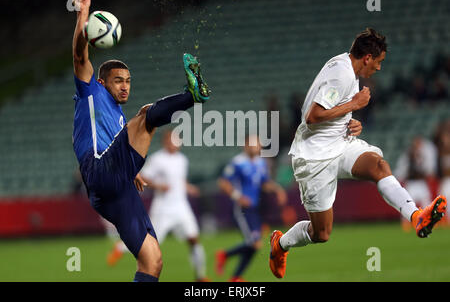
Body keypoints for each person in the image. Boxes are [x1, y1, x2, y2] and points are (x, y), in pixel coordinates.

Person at [269, 28, 447, 279]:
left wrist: (351, 122)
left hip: (340, 144)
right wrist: (354, 104)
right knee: (322, 234)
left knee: (379, 166)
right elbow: (313, 117)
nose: (379, 68)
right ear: (367, 58)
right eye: (379, 62)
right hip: (314, 158)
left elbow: (331, 111)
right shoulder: (342, 74)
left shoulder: (348, 70)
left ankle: (417, 216)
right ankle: (280, 244)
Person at [71, 0, 210, 282]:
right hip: (99, 172)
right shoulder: (90, 93)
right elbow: (79, 54)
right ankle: (192, 96)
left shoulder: (120, 118)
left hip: (115, 188)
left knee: (153, 262)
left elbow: (116, 145)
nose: (125, 87)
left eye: (128, 82)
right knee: (147, 114)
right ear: (101, 82)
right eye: (118, 81)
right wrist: (84, 16)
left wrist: (131, 172)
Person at [107, 130, 209, 282]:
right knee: (150, 244)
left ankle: (200, 277)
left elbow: (179, 180)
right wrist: (158, 186)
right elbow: (144, 177)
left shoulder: (182, 159)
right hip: (163, 209)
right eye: (171, 140)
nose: (174, 143)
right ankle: (120, 248)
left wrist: (189, 187)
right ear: (165, 141)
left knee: (194, 239)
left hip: (182, 207)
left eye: (176, 140)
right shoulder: (157, 159)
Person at [216, 135, 287, 282]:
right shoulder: (238, 162)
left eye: (257, 143)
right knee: (255, 243)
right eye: (252, 143)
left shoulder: (261, 163)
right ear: (245, 145)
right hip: (242, 209)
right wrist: (238, 196)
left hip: (255, 209)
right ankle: (228, 261)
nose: (255, 146)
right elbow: (223, 182)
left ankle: (234, 274)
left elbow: (264, 183)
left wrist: (277, 190)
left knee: (254, 244)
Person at [394, 136, 438, 230]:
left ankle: (429, 221)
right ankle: (406, 223)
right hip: (412, 183)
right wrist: (401, 177)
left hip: (421, 183)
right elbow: (402, 169)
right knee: (407, 203)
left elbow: (428, 169)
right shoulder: (407, 155)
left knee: (427, 202)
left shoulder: (423, 156)